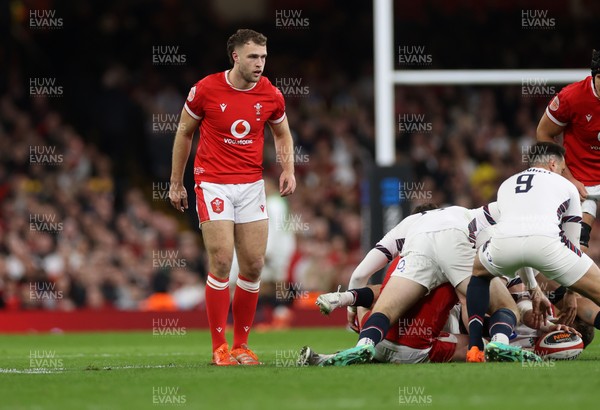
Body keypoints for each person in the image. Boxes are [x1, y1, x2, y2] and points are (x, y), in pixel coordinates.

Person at [168, 29, 296, 365]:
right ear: (235, 56)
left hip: (251, 185)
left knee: (253, 266)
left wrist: (288, 169)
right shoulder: (206, 89)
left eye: (264, 57)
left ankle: (241, 345)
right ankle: (218, 347)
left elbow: (282, 132)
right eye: (253, 57)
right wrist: (175, 182)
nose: (260, 64)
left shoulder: (270, 94)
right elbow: (184, 133)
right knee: (223, 260)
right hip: (212, 183)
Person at [317, 202, 539, 366]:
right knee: (504, 307)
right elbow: (516, 248)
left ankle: (364, 343)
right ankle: (499, 343)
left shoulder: (406, 225)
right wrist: (533, 288)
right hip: (456, 239)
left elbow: (359, 274)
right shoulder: (471, 215)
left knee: (386, 308)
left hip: (419, 243)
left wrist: (351, 310)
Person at [466, 142, 600, 362]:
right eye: (563, 168)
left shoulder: (506, 185)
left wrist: (533, 288)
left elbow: (522, 244)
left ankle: (474, 349)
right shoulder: (565, 185)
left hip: (503, 244)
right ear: (552, 163)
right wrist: (571, 293)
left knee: (479, 273)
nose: (563, 172)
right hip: (547, 245)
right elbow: (573, 241)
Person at [536, 49, 600, 253]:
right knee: (576, 250)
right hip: (582, 184)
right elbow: (543, 133)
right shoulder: (572, 97)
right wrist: (568, 178)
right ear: (597, 76)